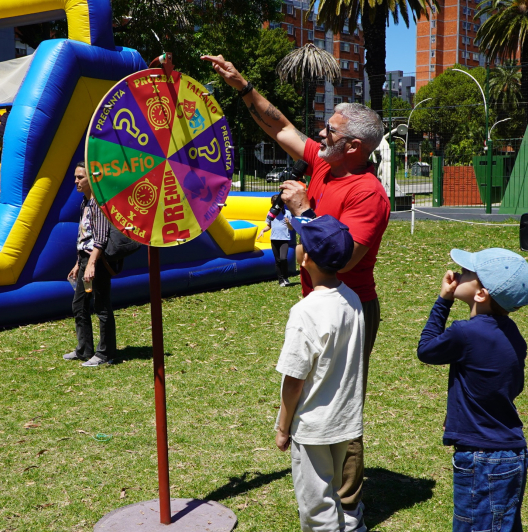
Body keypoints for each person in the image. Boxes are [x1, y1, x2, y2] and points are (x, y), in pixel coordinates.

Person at [203, 53, 389, 530]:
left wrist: (305, 212)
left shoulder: (368, 193)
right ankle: (327, 493)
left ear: (353, 146)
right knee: (314, 397)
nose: (320, 134)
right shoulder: (327, 163)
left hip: (350, 306)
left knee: (342, 406)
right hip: (317, 302)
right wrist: (243, 86)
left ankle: (348, 507)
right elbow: (281, 127)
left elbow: (343, 258)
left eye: (330, 130)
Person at [416, 248, 528, 532]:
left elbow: (426, 349)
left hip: (482, 459)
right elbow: (509, 387)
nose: (458, 274)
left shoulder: (464, 333)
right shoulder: (514, 335)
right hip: (512, 454)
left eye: (468, 273)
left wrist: (443, 300)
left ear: (481, 294)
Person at [274, 215, 364, 532]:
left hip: (313, 426)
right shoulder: (352, 299)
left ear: (306, 258)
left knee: (318, 509)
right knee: (334, 493)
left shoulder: (305, 312)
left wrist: (283, 427)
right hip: (345, 420)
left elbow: (294, 380)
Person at [62, 162, 118, 366]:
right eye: (75, 177)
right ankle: (84, 349)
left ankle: (105, 354)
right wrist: (79, 263)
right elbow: (84, 236)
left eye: (80, 177)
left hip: (97, 260)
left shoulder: (98, 204)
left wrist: (92, 263)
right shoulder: (84, 203)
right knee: (79, 304)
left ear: (91, 179)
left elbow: (100, 238)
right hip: (86, 259)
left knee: (102, 306)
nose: (76, 181)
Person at [262, 196, 297, 287]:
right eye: (274, 204)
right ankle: (281, 280)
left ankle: (285, 277)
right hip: (274, 239)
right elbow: (269, 225)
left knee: (283, 258)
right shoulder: (271, 214)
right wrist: (263, 230)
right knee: (277, 261)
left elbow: (291, 228)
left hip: (284, 239)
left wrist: (288, 223)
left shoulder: (287, 213)